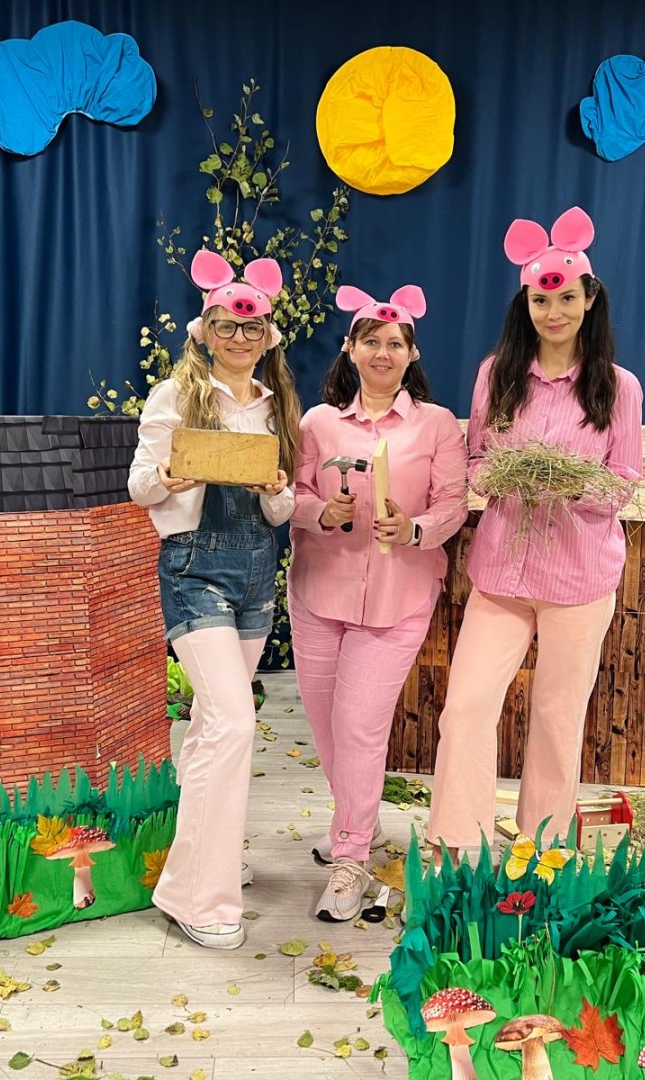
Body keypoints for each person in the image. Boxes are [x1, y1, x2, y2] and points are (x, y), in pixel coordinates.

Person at [426, 207, 644, 859]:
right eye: (541, 299)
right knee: (466, 706)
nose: (554, 312)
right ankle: (455, 842)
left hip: (579, 578)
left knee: (556, 717)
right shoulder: (497, 374)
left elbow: (623, 481)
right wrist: (503, 475)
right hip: (503, 574)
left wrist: (572, 485)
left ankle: (542, 849)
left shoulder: (618, 387)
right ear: (525, 303)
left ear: (589, 299)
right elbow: (476, 462)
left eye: (566, 298)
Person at [127, 250, 300, 950]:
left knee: (209, 727)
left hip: (256, 572)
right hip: (193, 569)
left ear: (267, 337)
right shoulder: (174, 395)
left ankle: (204, 863)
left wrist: (276, 491)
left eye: (251, 327)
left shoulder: (275, 405)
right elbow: (140, 486)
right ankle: (201, 897)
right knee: (232, 722)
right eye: (226, 325)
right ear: (205, 331)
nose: (239, 337)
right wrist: (170, 475)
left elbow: (286, 509)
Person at [288, 284, 467, 921]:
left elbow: (454, 505)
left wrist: (415, 529)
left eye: (395, 343)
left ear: (412, 353)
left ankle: (351, 857)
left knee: (359, 726)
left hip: (398, 597)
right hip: (319, 591)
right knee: (327, 728)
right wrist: (321, 512)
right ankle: (356, 822)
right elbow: (290, 498)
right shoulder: (317, 423)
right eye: (371, 341)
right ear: (350, 348)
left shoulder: (437, 425)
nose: (383, 352)